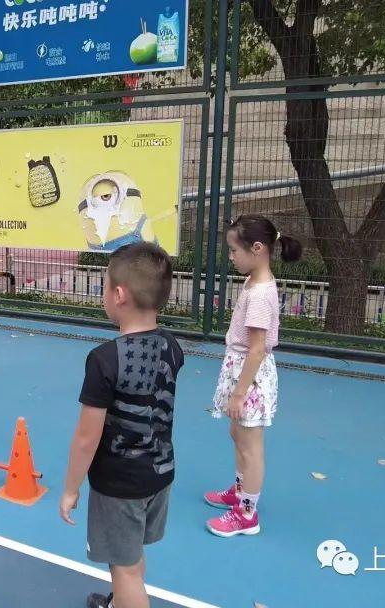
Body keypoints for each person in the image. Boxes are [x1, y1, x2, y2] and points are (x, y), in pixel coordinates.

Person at [59, 242, 184, 608]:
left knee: (124, 569)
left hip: (119, 483)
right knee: (130, 558)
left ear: (119, 294)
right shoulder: (173, 346)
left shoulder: (104, 359)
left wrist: (70, 488)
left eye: (103, 287)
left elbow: (87, 437)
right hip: (160, 474)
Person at [204, 215, 302, 537]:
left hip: (251, 377)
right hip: (241, 370)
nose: (231, 256)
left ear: (257, 249)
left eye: (234, 250)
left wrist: (239, 392)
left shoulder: (260, 294)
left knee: (250, 445)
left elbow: (257, 350)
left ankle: (247, 514)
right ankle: (240, 490)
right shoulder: (254, 282)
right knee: (238, 434)